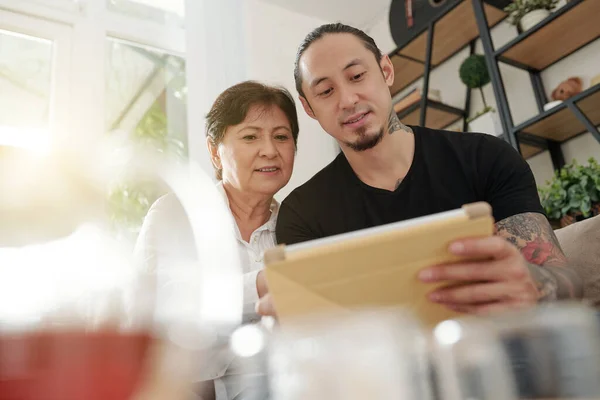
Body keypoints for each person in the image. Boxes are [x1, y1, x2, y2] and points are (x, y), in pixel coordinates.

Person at [256, 23, 582, 319]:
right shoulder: (303, 213)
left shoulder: (486, 157)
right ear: (309, 108)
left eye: (357, 76)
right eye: (326, 91)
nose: (347, 99)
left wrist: (535, 284)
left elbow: (567, 280)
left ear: (385, 70)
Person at [134, 80, 299, 399]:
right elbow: (161, 302)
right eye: (251, 136)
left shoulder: (300, 223)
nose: (270, 150)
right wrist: (266, 282)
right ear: (214, 151)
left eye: (281, 136)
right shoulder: (176, 213)